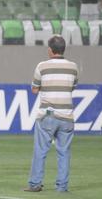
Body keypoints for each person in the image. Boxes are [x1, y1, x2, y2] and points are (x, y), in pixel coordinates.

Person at [24, 35, 79, 192]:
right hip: (67, 116)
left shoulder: (42, 66)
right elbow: (72, 87)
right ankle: (62, 187)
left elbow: (34, 90)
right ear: (63, 49)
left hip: (47, 115)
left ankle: (35, 184)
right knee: (64, 152)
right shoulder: (73, 66)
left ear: (50, 50)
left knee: (40, 151)